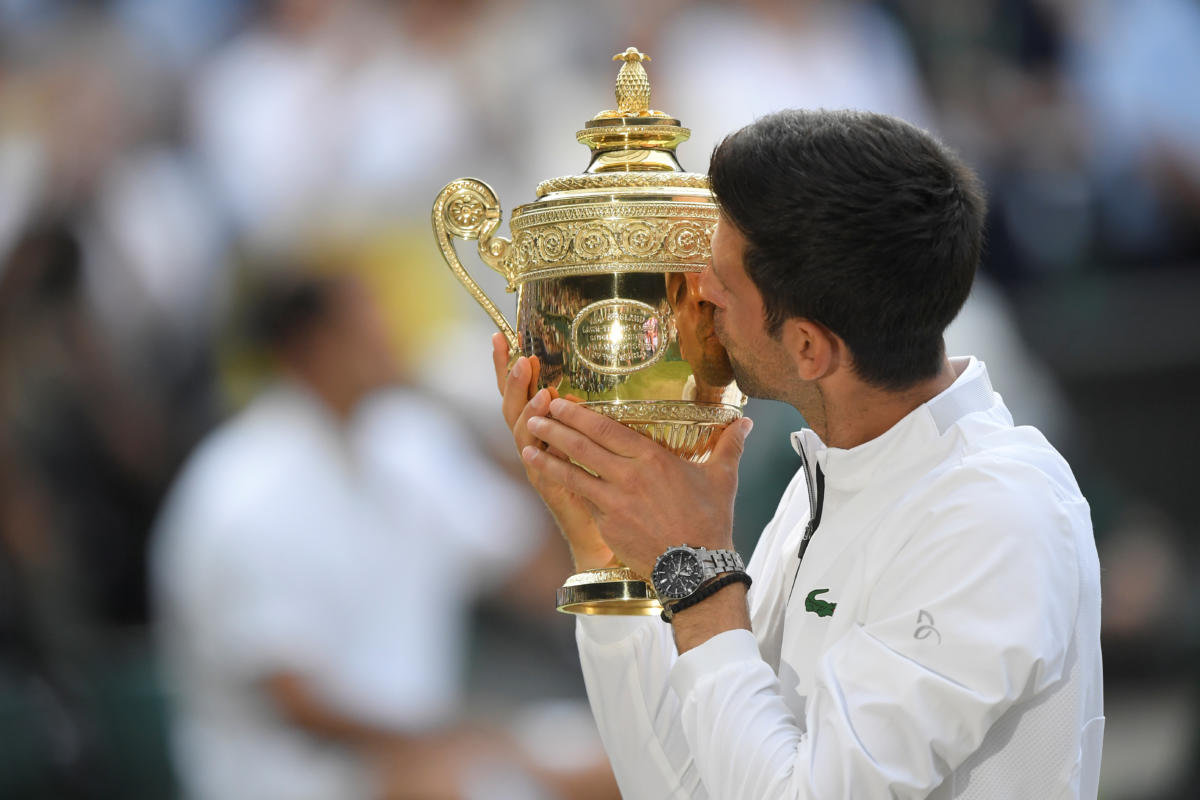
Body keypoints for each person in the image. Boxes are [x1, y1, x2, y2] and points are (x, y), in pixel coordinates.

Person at [493, 109, 1104, 798]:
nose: (696, 290)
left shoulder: (996, 517)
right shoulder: (833, 471)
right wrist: (614, 560)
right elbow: (685, 789)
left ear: (811, 348)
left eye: (721, 276)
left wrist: (700, 577)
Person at [152, 268, 616, 800]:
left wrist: (525, 435)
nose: (386, 334)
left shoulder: (407, 440)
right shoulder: (240, 489)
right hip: (295, 776)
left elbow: (541, 576)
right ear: (311, 347)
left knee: (626, 757)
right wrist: (451, 742)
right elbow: (295, 703)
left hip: (430, 747)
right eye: (364, 322)